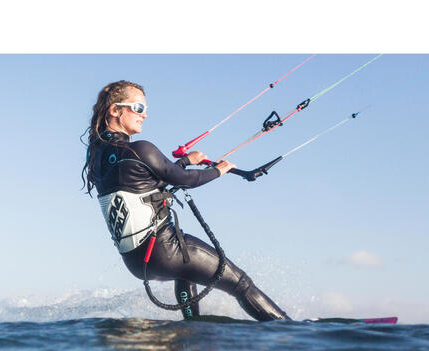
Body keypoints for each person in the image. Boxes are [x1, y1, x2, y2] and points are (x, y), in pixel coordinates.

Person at [82, 80, 290, 321]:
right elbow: (184, 180)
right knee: (241, 283)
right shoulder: (141, 149)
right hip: (165, 249)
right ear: (115, 110)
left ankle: (191, 329)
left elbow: (145, 181)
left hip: (137, 262)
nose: (144, 115)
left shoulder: (96, 157)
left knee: (186, 272)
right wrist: (219, 170)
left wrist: (185, 161)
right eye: (138, 108)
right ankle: (290, 334)